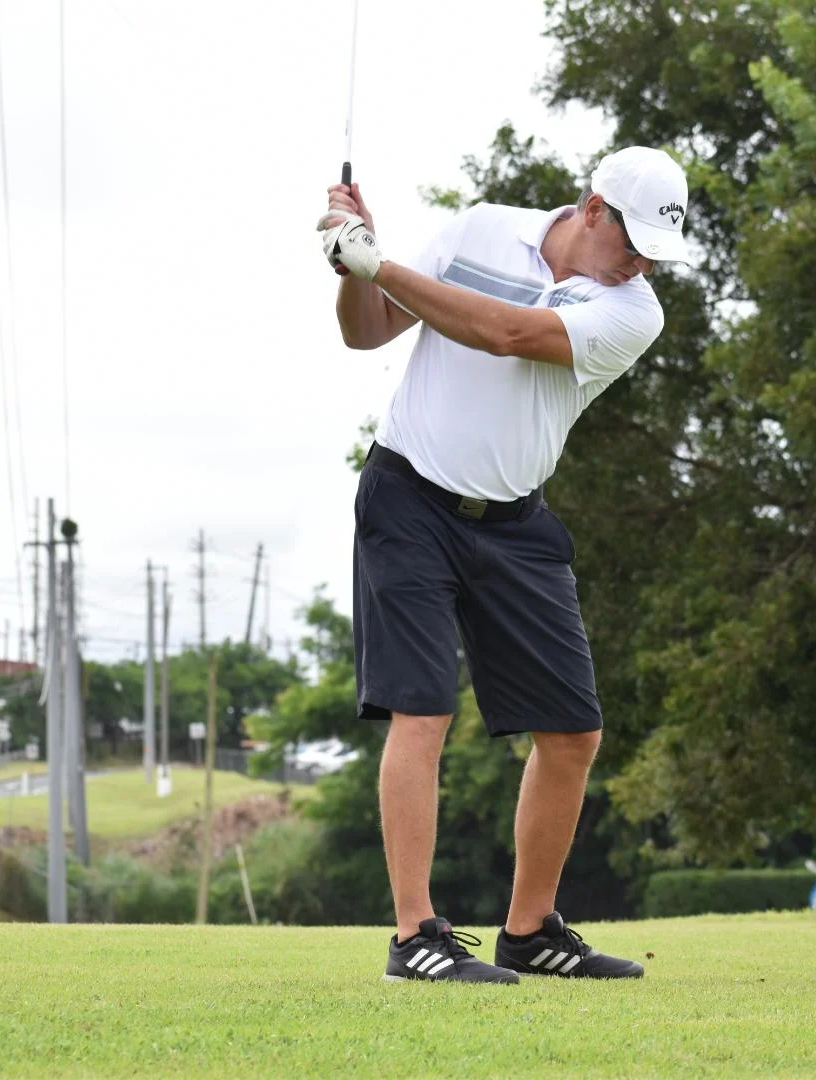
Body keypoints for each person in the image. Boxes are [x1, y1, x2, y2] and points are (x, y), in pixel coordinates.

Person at [318, 147, 692, 984]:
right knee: (422, 714)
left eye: (653, 256)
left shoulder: (634, 313)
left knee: (572, 732)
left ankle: (529, 932)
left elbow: (505, 333)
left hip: (515, 522)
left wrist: (383, 264)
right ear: (594, 209)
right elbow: (365, 329)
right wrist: (355, 261)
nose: (639, 266)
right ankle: (415, 936)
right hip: (408, 498)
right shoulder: (484, 228)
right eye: (631, 243)